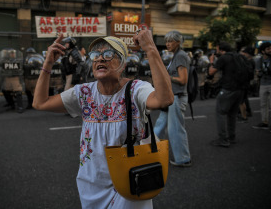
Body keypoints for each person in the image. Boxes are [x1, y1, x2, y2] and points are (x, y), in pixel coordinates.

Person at [33, 31, 173, 208]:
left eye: (108, 54)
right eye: (95, 55)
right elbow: (40, 102)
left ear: (122, 64)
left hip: (132, 179)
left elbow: (164, 99)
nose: (100, 59)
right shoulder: (83, 93)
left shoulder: (136, 89)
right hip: (91, 183)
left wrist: (151, 49)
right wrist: (48, 63)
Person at [153, 30, 192, 167]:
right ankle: (151, 151)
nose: (167, 44)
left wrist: (166, 77)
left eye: (170, 41)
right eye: (166, 41)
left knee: (175, 129)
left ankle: (183, 158)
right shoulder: (176, 55)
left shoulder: (181, 56)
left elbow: (183, 80)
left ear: (178, 42)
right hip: (171, 97)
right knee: (159, 125)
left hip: (177, 97)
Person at [208, 42, 244, 147]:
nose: (216, 50)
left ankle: (223, 140)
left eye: (217, 48)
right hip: (239, 89)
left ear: (220, 49)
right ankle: (232, 137)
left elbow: (211, 72)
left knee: (220, 113)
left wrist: (211, 62)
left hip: (228, 89)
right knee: (232, 115)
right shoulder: (238, 56)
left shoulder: (223, 58)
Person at [252, 42, 271, 130]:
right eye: (268, 49)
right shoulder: (259, 60)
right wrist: (259, 73)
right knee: (263, 104)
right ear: (263, 51)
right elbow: (258, 72)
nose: (270, 50)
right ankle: (264, 122)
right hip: (263, 84)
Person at [237, 46, 255, 122]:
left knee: (242, 100)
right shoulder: (249, 61)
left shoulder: (249, 62)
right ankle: (245, 113)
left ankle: (244, 116)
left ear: (249, 54)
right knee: (243, 99)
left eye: (245, 52)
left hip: (244, 83)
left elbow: (249, 74)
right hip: (245, 82)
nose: (243, 54)